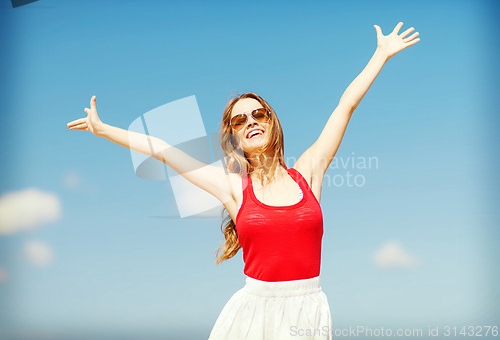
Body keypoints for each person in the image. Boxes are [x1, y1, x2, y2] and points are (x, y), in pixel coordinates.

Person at [67, 21, 420, 340]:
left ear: (271, 122)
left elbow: (345, 106)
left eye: (258, 113)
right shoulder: (233, 188)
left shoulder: (309, 173)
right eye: (238, 121)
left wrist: (381, 55)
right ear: (234, 137)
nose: (250, 121)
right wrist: (104, 130)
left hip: (308, 312)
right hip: (253, 314)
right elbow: (161, 149)